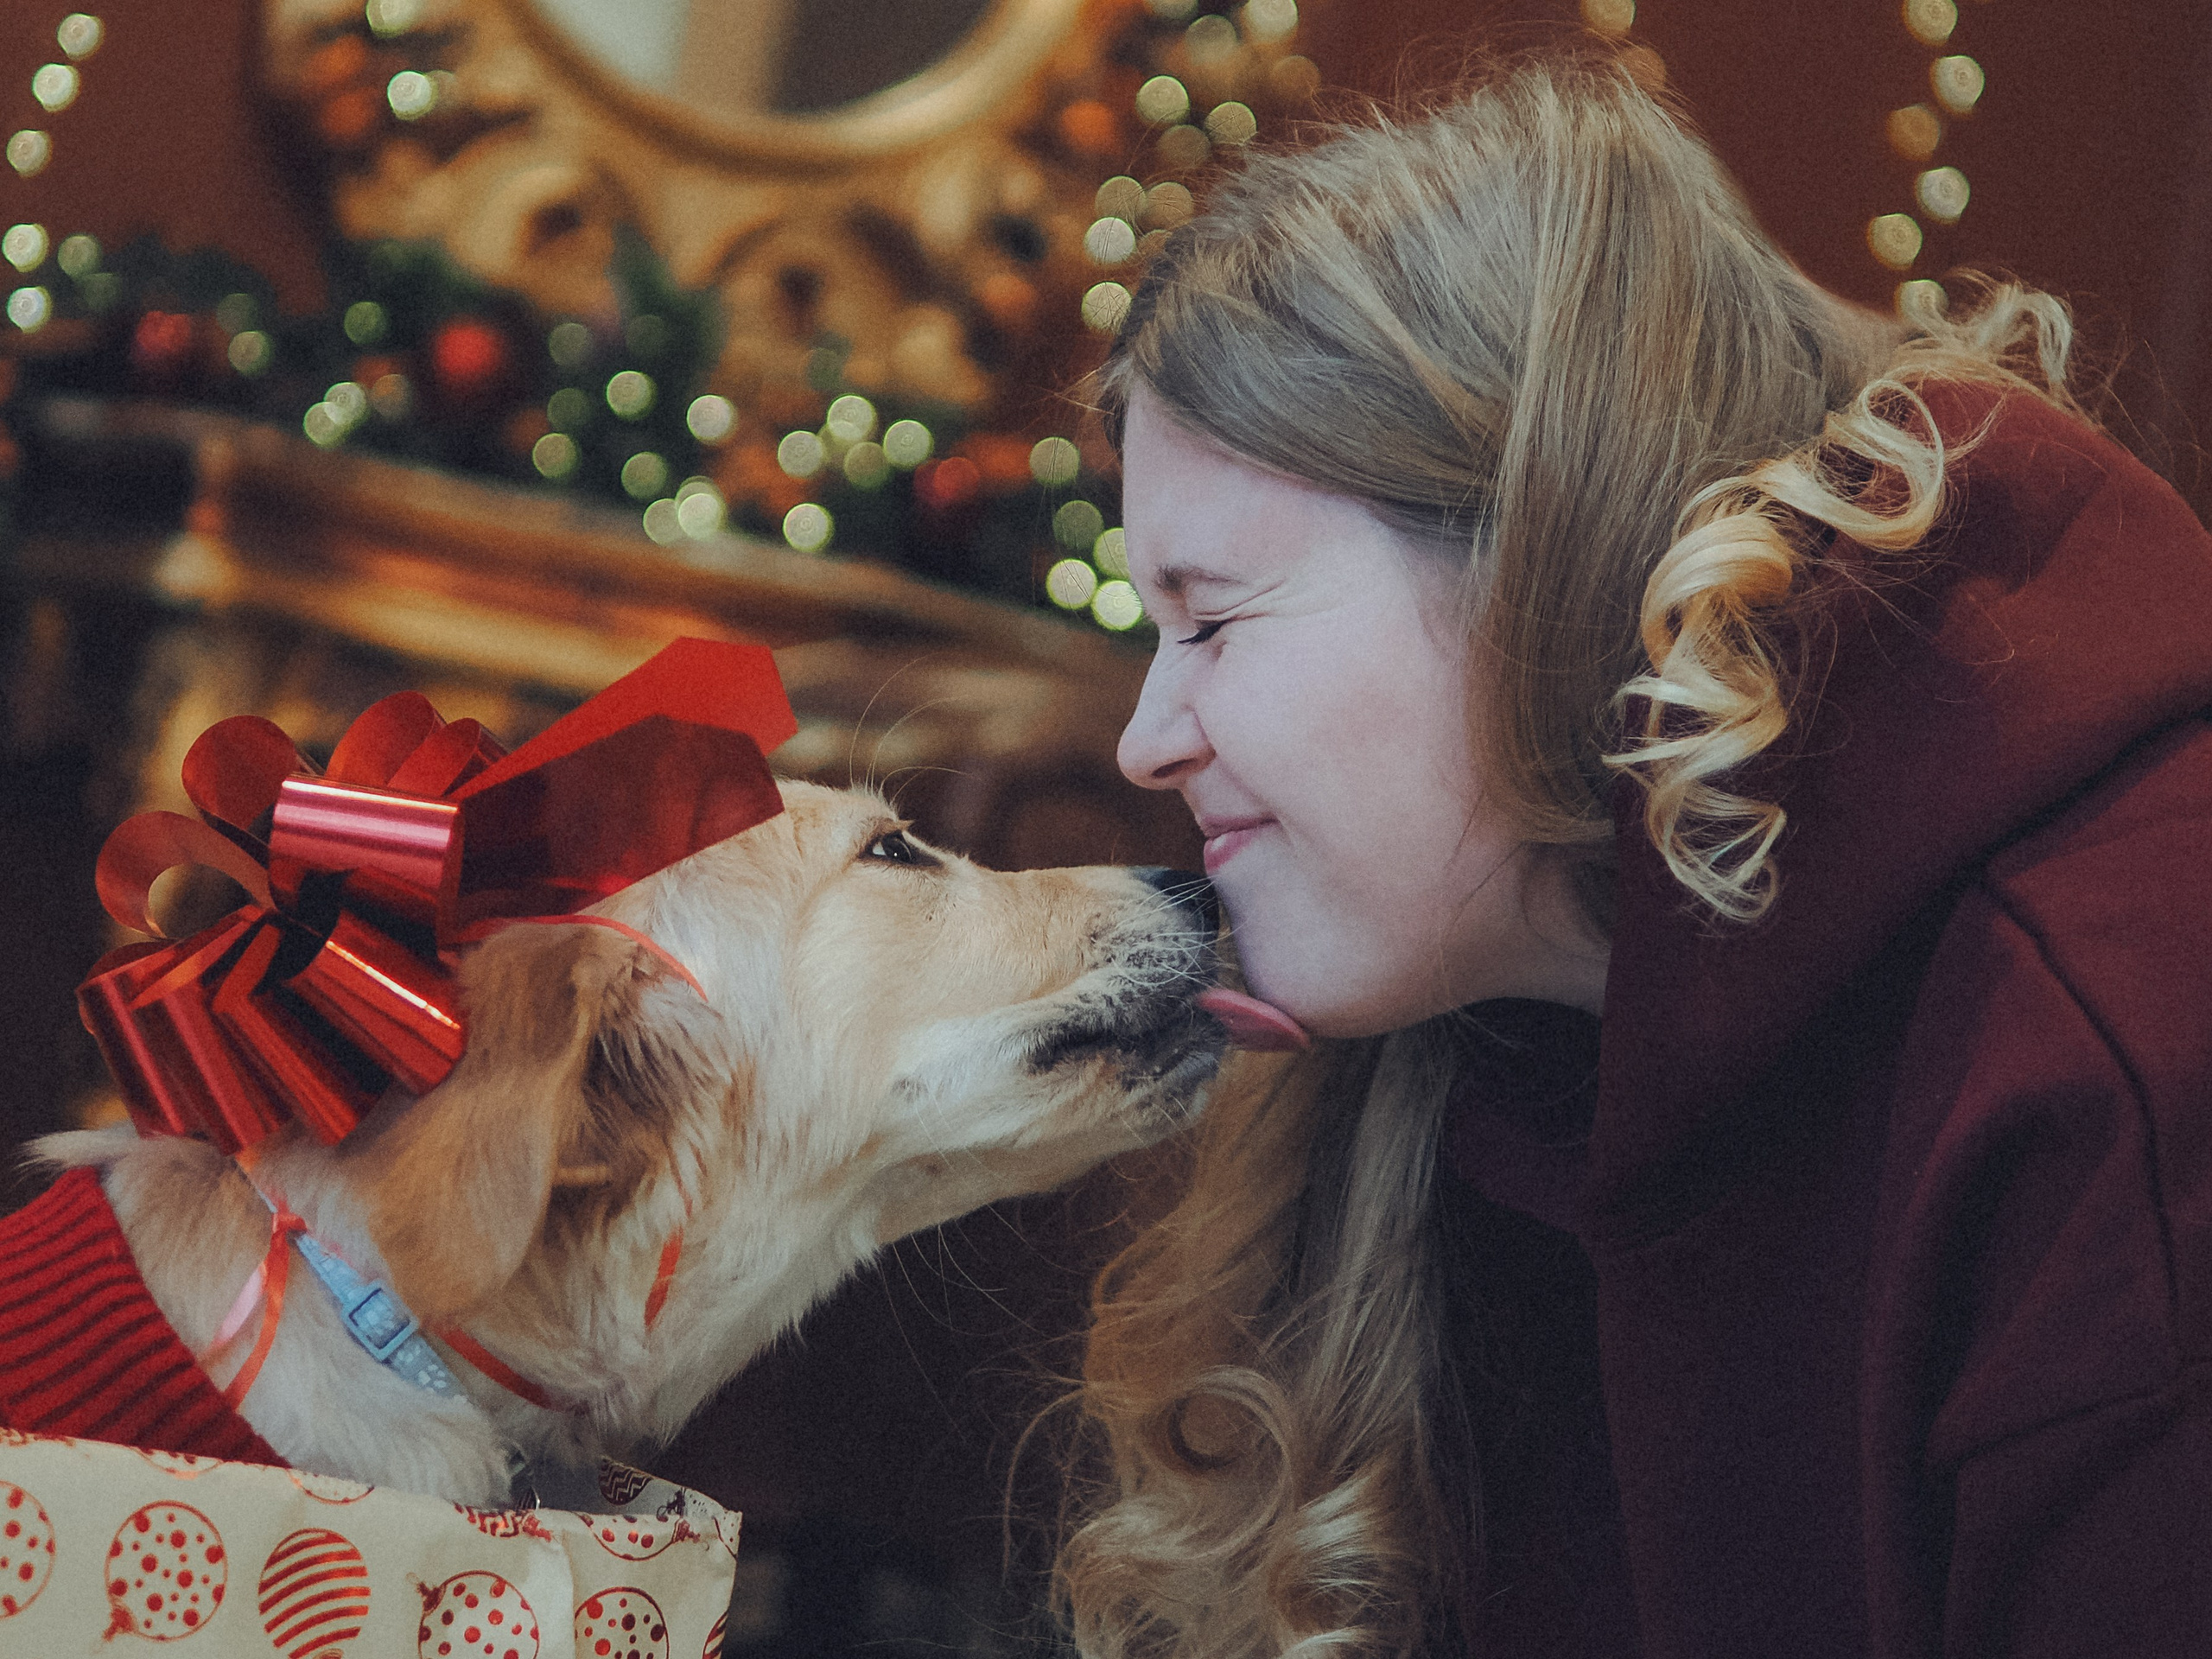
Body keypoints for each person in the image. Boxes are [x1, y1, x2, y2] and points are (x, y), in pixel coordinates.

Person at [1050, 49, 2212, 1659]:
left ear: (1534, 543)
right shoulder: (1446, 1053)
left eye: (1215, 617)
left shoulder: (2121, 1040)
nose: (1147, 737)